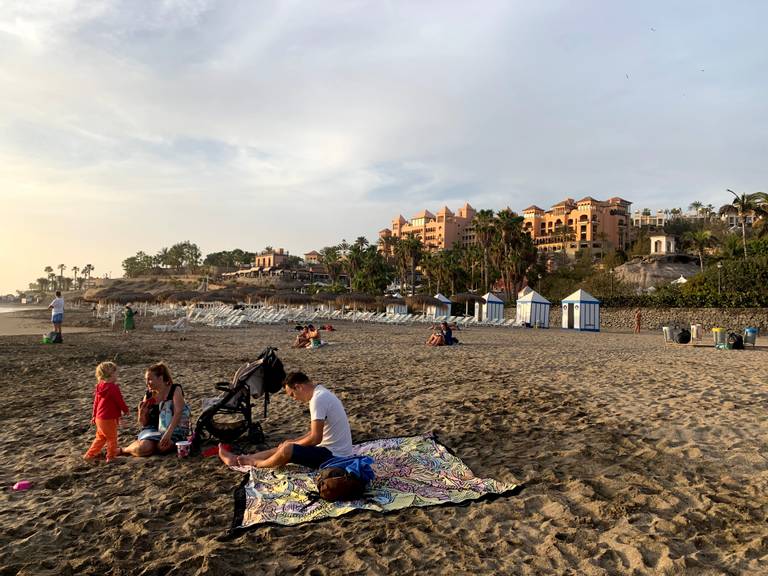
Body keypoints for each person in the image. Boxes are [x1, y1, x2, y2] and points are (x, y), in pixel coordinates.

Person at [218, 371, 352, 469]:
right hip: (335, 450)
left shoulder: (318, 400)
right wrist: (293, 441)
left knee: (287, 449)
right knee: (286, 444)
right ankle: (242, 458)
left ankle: (256, 463)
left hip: (334, 456)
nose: (294, 399)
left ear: (299, 386)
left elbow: (316, 438)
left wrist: (292, 445)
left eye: (292, 394)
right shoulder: (321, 392)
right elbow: (313, 433)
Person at [122, 363, 191, 457]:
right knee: (143, 448)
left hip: (173, 429)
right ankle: (123, 450)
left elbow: (178, 412)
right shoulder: (148, 395)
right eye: (146, 380)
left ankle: (152, 447)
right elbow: (143, 424)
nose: (147, 383)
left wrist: (168, 434)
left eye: (150, 379)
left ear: (160, 378)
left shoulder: (175, 389)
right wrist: (142, 413)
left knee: (163, 447)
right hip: (152, 429)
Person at [84, 362, 130, 463]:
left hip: (99, 418)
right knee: (112, 438)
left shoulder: (99, 386)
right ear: (111, 374)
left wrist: (94, 415)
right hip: (108, 418)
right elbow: (119, 400)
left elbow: (96, 402)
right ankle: (111, 457)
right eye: (116, 373)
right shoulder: (113, 388)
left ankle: (89, 455)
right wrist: (125, 409)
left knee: (100, 437)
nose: (117, 376)